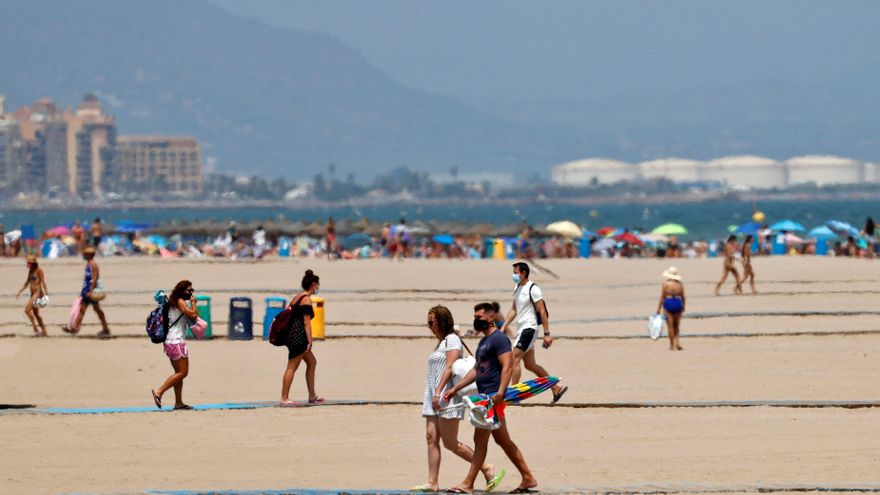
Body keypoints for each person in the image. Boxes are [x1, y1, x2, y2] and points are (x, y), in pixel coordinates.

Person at [443, 303, 538, 494]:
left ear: (490, 317)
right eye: (474, 316)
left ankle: (468, 484)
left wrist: (501, 393)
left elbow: (507, 366)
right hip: (486, 396)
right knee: (503, 441)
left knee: (480, 439)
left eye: (479, 316)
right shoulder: (484, 342)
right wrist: (456, 388)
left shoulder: (499, 339)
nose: (476, 319)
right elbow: (477, 370)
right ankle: (528, 478)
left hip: (492, 398)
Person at [412, 305, 502, 493]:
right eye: (427, 322)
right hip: (433, 396)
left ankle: (486, 467)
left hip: (446, 396)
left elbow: (449, 367)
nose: (429, 326)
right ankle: (432, 482)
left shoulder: (452, 340)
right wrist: (433, 394)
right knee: (431, 438)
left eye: (432, 322)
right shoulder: (441, 342)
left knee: (450, 443)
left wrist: (439, 392)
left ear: (442, 321)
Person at [500, 262, 567, 404]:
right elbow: (514, 309)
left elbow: (542, 311)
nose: (514, 275)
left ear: (523, 273)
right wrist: (504, 325)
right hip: (521, 328)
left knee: (513, 359)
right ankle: (556, 387)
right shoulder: (517, 287)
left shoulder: (533, 289)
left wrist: (547, 333)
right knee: (530, 365)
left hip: (529, 328)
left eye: (516, 272)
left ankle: (514, 395)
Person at [151, 280, 199, 410]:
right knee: (183, 372)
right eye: (190, 290)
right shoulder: (179, 301)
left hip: (170, 341)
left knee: (178, 373)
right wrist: (194, 303)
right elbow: (193, 314)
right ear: (182, 291)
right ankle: (159, 391)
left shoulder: (173, 302)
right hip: (176, 341)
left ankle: (178, 402)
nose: (191, 293)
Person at [280, 269, 323, 406]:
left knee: (312, 362)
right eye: (318, 285)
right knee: (292, 367)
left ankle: (312, 395)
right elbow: (306, 322)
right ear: (313, 285)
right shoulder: (306, 299)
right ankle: (284, 398)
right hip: (298, 336)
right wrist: (310, 341)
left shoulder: (298, 296)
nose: (318, 288)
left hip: (293, 334)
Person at [62, 246, 111, 338]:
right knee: (86, 309)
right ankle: (75, 328)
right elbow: (87, 279)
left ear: (89, 255)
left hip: (90, 291)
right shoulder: (88, 264)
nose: (83, 256)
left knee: (90, 310)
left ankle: (74, 328)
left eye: (85, 254)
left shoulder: (93, 264)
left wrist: (90, 291)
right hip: (86, 290)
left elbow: (95, 278)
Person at [17, 254, 48, 336]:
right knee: (36, 314)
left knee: (27, 310)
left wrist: (46, 293)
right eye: (28, 263)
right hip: (32, 294)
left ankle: (35, 328)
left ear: (33, 263)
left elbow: (43, 281)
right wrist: (20, 291)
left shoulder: (39, 270)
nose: (28, 264)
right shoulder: (30, 271)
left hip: (38, 293)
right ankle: (44, 330)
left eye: (29, 263)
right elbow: (27, 282)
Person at [657, 267, 686, 351]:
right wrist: (683, 306)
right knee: (676, 325)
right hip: (677, 302)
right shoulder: (680, 284)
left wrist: (658, 309)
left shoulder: (666, 284)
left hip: (669, 302)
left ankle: (671, 345)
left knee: (670, 326)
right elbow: (683, 296)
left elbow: (662, 297)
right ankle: (677, 342)